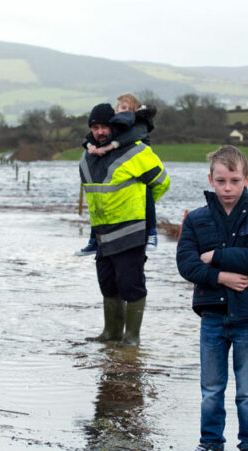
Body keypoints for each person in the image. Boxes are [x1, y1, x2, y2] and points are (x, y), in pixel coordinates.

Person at [176, 146, 248, 451]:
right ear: (211, 179)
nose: (228, 187)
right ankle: (210, 446)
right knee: (211, 387)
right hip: (212, 316)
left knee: (247, 388)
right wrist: (222, 276)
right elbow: (187, 264)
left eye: (234, 180)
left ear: (247, 179)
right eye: (221, 180)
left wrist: (215, 256)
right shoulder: (196, 219)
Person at [80, 103, 170, 347]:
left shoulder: (136, 151)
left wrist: (139, 207)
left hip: (130, 231)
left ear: (114, 127)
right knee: (108, 284)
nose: (100, 132)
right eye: (95, 127)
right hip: (102, 234)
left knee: (132, 286)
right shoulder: (86, 157)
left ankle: (132, 338)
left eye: (104, 127)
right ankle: (111, 333)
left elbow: (162, 182)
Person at [75, 93, 158, 256]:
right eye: (120, 107)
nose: (122, 111)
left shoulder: (137, 124)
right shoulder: (117, 123)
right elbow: (88, 137)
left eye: (127, 108)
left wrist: (110, 146)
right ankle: (94, 239)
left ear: (134, 111)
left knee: (146, 194)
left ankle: (152, 233)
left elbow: (132, 137)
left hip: (140, 163)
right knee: (98, 197)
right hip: (120, 167)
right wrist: (90, 145)